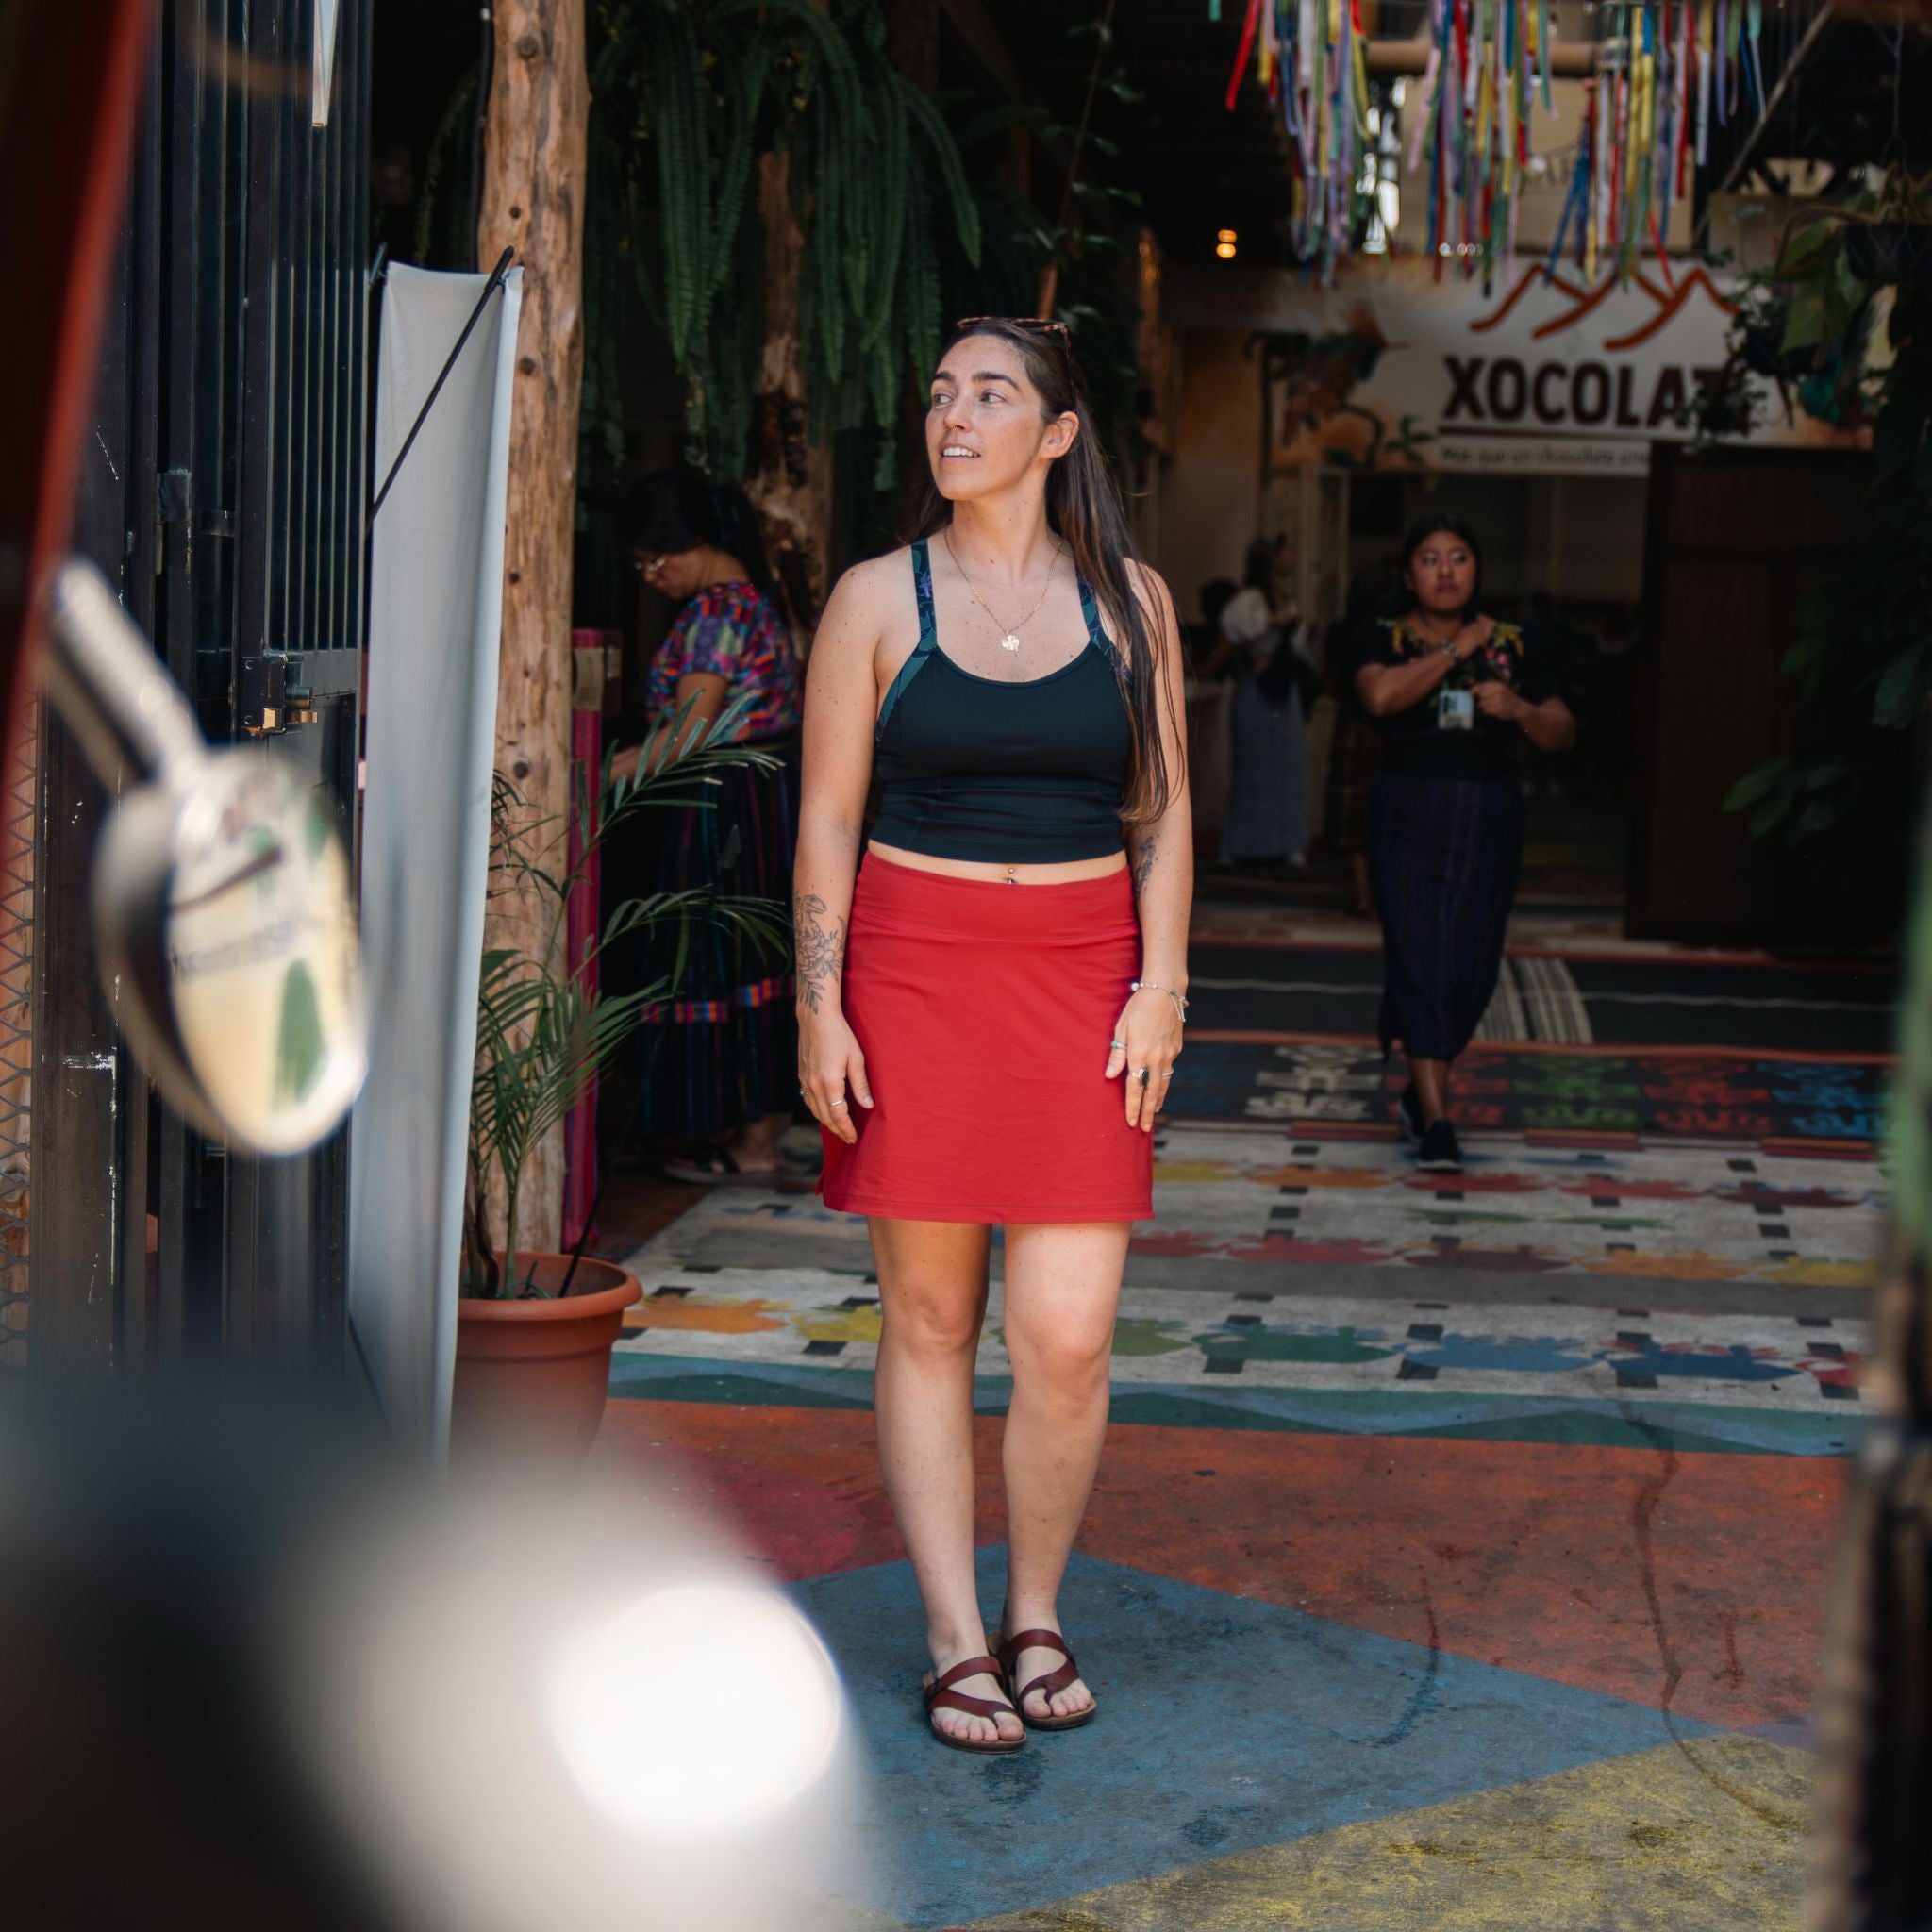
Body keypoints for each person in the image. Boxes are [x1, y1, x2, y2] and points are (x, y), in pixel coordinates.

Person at [793, 316, 1192, 1753]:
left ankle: (1035, 1610)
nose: (952, 416)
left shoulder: (1132, 603)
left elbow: (1161, 813)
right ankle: (954, 1637)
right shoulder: (874, 597)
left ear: (1057, 432)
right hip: (914, 971)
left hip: (1086, 980)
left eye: (989, 394)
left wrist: (1163, 983)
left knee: (1067, 1336)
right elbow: (827, 815)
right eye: (939, 392)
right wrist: (818, 1003)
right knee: (929, 1317)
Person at [1355, 514, 1575, 1173]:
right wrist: (1456, 649)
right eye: (1429, 559)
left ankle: (1422, 1093)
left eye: (1459, 557)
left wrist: (1521, 709)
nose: (1446, 571)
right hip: (1407, 812)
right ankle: (1439, 1122)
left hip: (1488, 817)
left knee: (1472, 967)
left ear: (1477, 568)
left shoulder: (1515, 643)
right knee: (1420, 955)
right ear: (1408, 573)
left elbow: (1562, 731)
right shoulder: (1381, 634)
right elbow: (1380, 696)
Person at [612, 469, 805, 1183]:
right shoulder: (753, 599)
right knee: (753, 959)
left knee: (723, 957)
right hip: (762, 797)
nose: (651, 576)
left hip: (729, 801)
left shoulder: (717, 613)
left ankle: (751, 1141)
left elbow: (690, 733)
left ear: (691, 542)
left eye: (654, 560)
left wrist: (594, 773)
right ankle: (755, 1128)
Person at [1200, 540, 1313, 874]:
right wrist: (1273, 624)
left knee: (1287, 769)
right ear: (1273, 558)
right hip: (1256, 690)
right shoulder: (1249, 599)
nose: (1292, 558)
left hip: (1282, 689)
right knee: (1252, 771)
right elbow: (1234, 631)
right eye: (1286, 551)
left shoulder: (1285, 598)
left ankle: (1287, 845)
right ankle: (1240, 845)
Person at [1323, 554, 1406, 916]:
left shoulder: (1343, 630)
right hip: (1390, 726)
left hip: (1352, 723)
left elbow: (1329, 680)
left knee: (1354, 814)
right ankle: (1379, 891)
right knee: (1385, 809)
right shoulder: (1397, 631)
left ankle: (1362, 894)